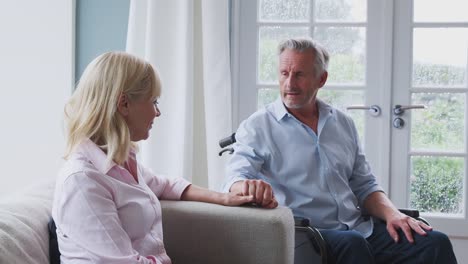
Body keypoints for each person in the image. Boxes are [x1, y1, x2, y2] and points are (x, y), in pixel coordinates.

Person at [222, 38, 457, 263]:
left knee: (434, 242)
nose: (289, 84)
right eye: (284, 73)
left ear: (321, 79)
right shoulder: (258, 126)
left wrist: (393, 214)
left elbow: (365, 185)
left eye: (300, 74)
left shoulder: (343, 123)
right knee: (352, 245)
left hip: (358, 229)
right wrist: (247, 186)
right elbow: (235, 179)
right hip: (306, 235)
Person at [52, 51, 255, 264]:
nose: (157, 113)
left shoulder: (121, 161)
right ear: (124, 104)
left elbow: (164, 185)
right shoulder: (83, 181)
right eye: (153, 101)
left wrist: (224, 198)